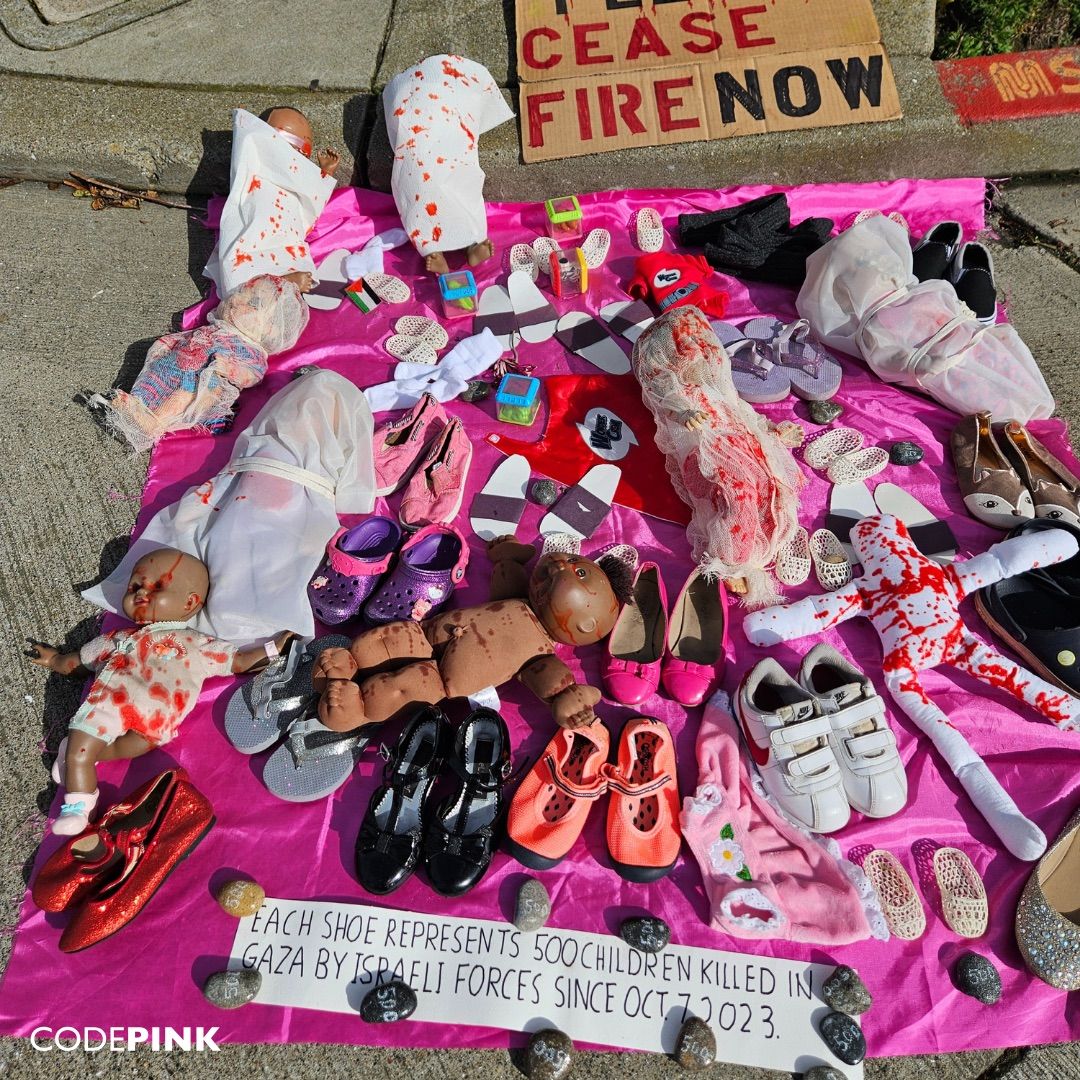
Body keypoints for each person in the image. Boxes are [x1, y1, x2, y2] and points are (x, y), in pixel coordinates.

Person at [27, 548, 291, 835]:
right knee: (83, 751)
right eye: (134, 587)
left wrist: (273, 649)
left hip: (154, 723)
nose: (141, 592)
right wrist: (55, 660)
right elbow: (79, 662)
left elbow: (238, 661)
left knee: (119, 749)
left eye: (157, 587)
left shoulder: (196, 644)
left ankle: (73, 754)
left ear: (190, 602)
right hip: (108, 705)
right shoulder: (118, 639)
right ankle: (78, 807)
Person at [383, 55, 513, 274]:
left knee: (461, 186)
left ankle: (467, 244)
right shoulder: (410, 87)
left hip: (445, 149)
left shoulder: (411, 87)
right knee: (436, 189)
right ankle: (439, 250)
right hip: (423, 151)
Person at [204, 107, 340, 298]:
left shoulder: (297, 179)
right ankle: (277, 282)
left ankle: (277, 283)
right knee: (244, 259)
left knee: (290, 258)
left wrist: (324, 173)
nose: (296, 152)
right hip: (257, 226)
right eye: (290, 142)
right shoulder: (256, 161)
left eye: (304, 150)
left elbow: (310, 206)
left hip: (288, 233)